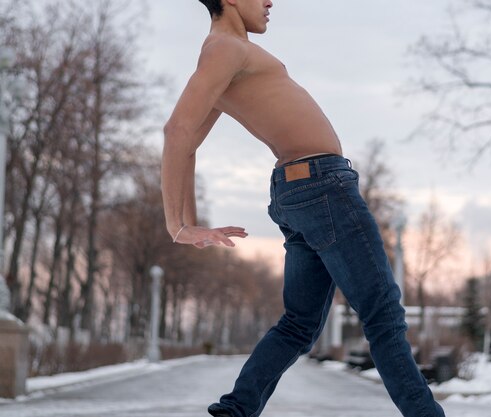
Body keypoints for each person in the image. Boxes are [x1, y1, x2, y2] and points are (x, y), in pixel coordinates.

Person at [160, 1, 446, 416]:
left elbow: (187, 144)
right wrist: (178, 225)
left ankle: (236, 410)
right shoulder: (224, 48)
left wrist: (186, 222)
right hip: (322, 187)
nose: (270, 1)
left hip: (302, 192)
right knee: (382, 314)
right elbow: (177, 131)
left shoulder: (226, 53)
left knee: (299, 324)